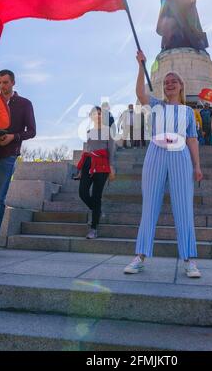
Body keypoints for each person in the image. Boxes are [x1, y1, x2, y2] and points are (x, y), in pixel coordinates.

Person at [124, 51, 203, 279]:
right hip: (156, 154)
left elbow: (192, 139)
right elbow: (140, 93)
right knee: (149, 206)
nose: (169, 84)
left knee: (184, 208)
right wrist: (141, 65)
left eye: (173, 81)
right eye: (166, 82)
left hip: (180, 157)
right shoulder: (157, 105)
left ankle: (189, 260)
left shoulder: (188, 111)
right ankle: (140, 256)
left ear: (181, 86)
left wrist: (197, 166)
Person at [0, 70, 36, 260]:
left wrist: (13, 137)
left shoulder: (24, 104)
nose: (2, 86)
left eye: (5, 82)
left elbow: (32, 131)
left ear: (13, 82)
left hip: (9, 155)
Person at [78, 106, 116, 239]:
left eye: (100, 114)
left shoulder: (108, 131)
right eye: (95, 114)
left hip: (102, 164)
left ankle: (93, 228)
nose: (98, 116)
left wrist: (111, 167)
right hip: (88, 163)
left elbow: (111, 149)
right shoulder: (89, 131)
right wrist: (81, 169)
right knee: (82, 192)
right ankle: (97, 211)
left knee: (96, 195)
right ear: (91, 116)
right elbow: (87, 149)